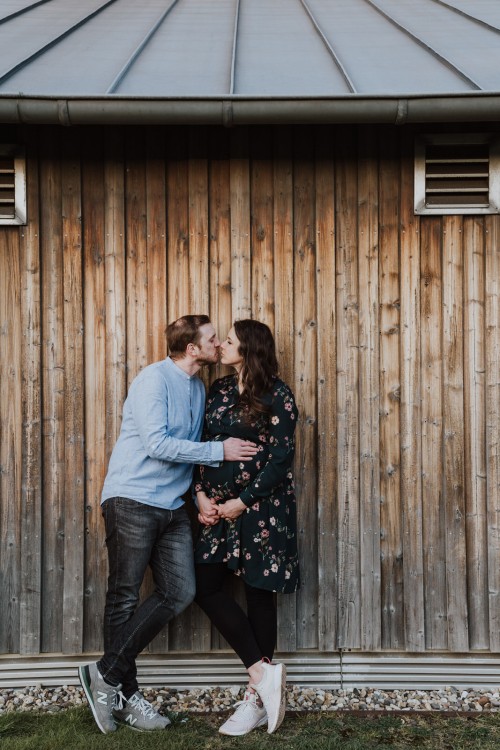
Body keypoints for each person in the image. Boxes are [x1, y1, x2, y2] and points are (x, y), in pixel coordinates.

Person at [78, 315, 258, 734]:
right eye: (213, 339)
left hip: (173, 505)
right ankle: (124, 694)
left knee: (181, 590)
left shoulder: (197, 386)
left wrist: (199, 494)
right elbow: (157, 444)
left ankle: (104, 673)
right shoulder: (153, 381)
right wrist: (219, 451)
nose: (219, 344)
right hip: (132, 499)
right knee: (123, 595)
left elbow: (186, 452)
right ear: (193, 349)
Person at [193, 319, 300, 736]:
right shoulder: (217, 390)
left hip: (261, 509)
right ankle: (263, 674)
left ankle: (255, 701)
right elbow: (200, 442)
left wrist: (243, 501)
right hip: (217, 510)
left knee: (259, 595)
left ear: (250, 349)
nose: (221, 347)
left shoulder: (277, 394)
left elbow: (280, 459)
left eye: (230, 341)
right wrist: (201, 494)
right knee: (205, 586)